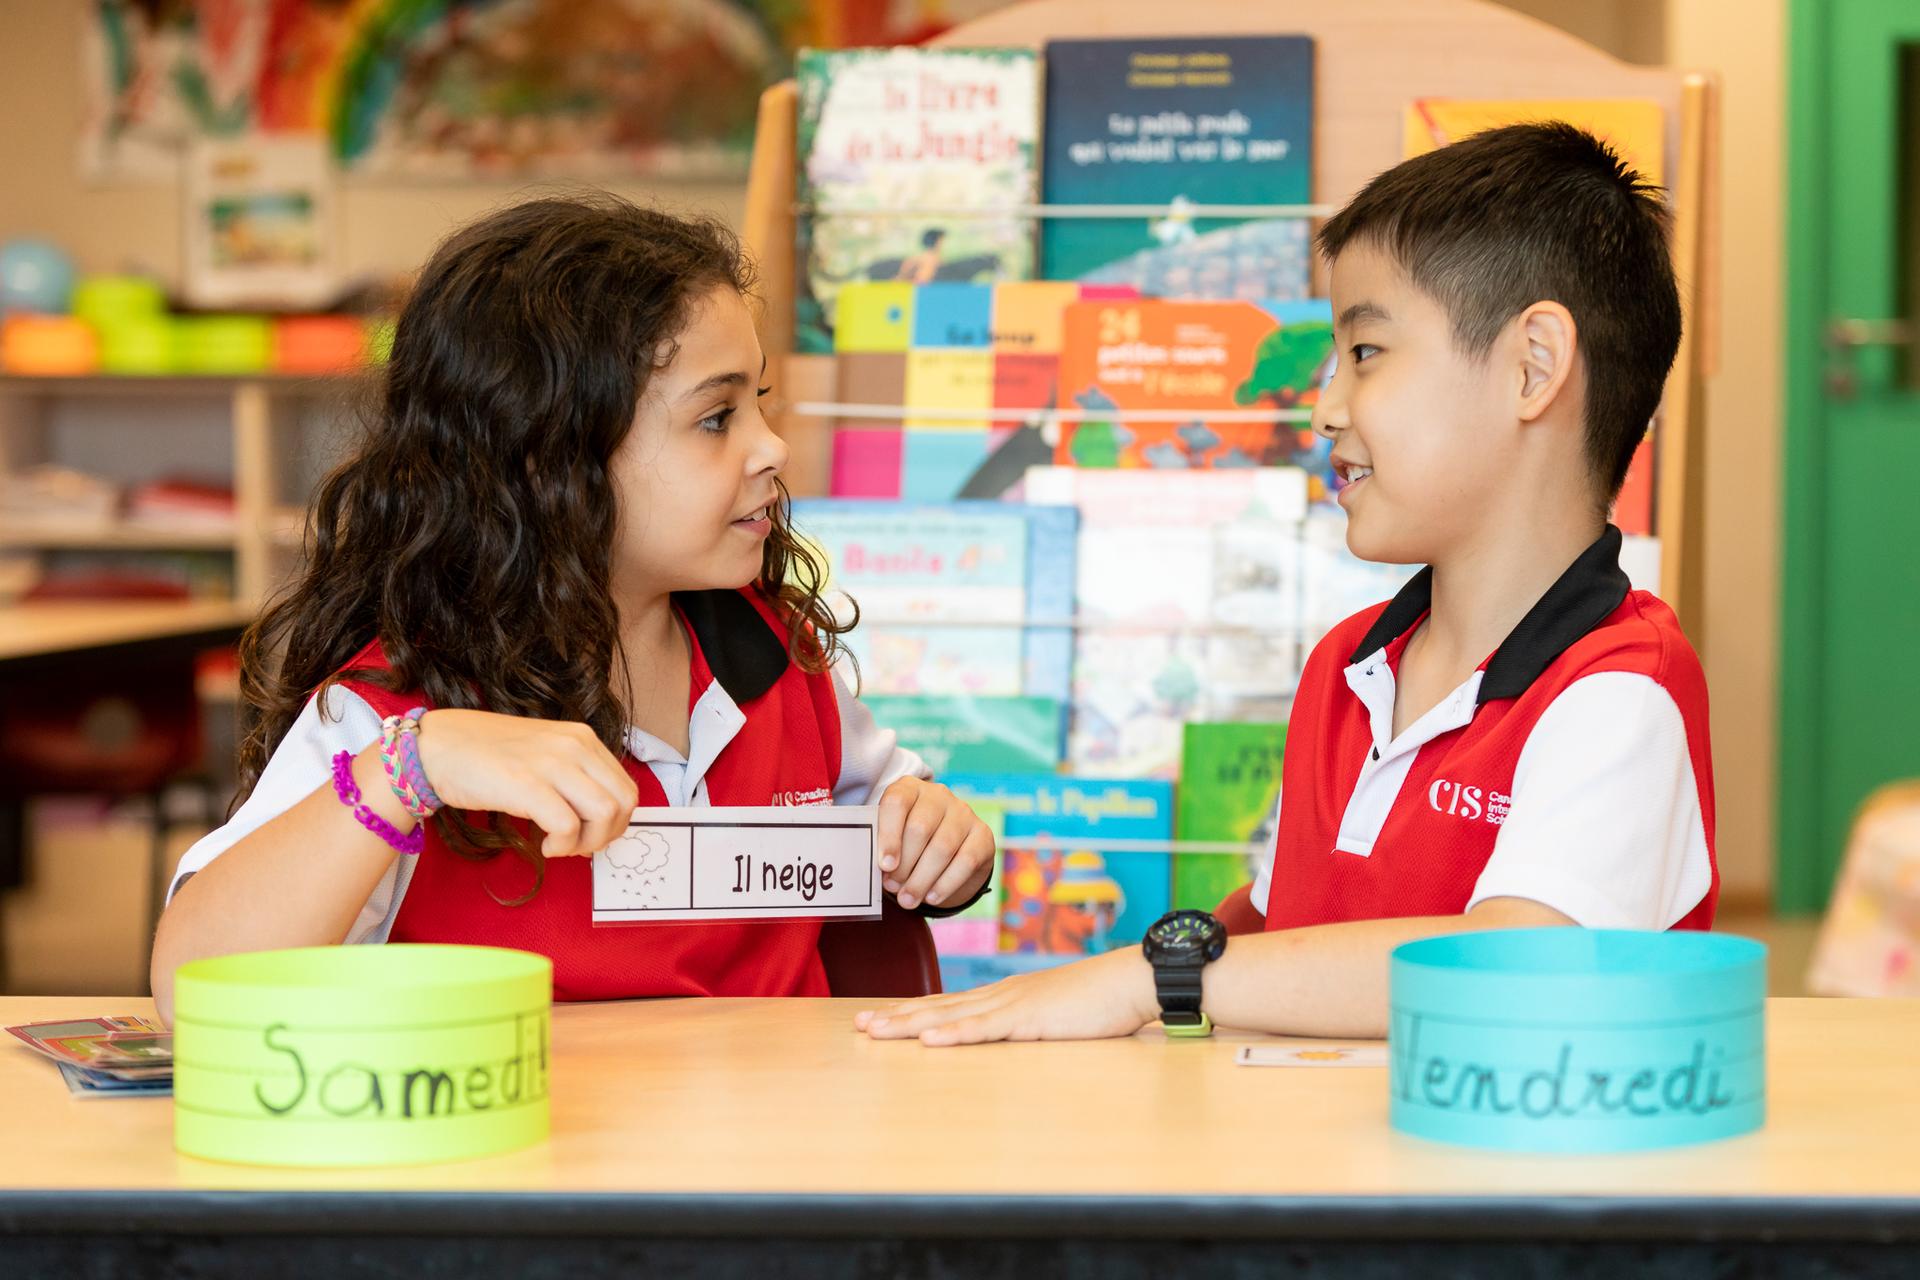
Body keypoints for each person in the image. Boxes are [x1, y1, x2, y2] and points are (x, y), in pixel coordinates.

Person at [856, 123, 1714, 1046]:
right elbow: (1271, 942)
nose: (1323, 407)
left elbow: (1521, 971)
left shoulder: (1624, 689)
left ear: (1533, 367)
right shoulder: (1348, 665)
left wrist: (1153, 979)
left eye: (1366, 354)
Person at [150, 197, 994, 1023]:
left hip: (779, 1148)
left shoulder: (777, 654)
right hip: (530, 1153)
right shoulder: (395, 716)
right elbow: (195, 995)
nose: (771, 447)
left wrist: (938, 842)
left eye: (760, 403)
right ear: (549, 461)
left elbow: (892, 823)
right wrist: (410, 770)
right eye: (716, 418)